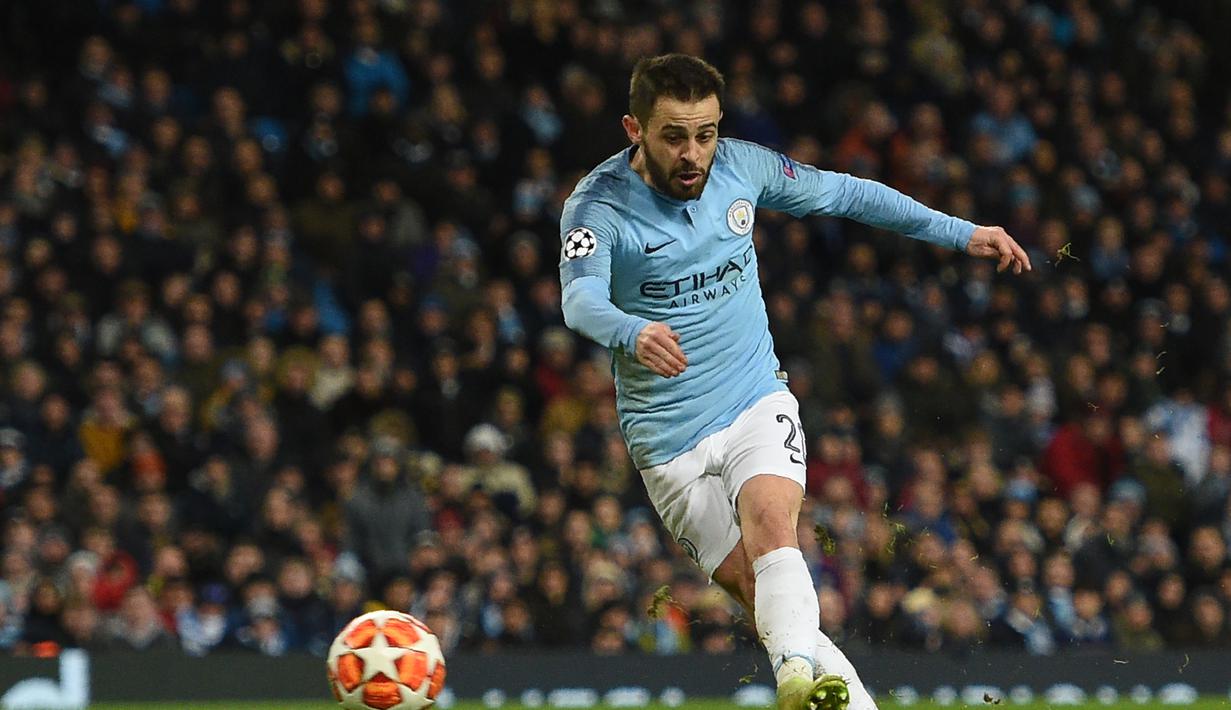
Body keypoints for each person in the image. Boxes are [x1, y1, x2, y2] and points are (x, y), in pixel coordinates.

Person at [558, 54, 1031, 710]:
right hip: (665, 440)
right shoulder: (598, 205)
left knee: (772, 526)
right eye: (673, 137)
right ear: (633, 129)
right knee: (765, 602)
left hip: (752, 397)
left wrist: (961, 233)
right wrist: (630, 331)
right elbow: (579, 300)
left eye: (705, 134)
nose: (693, 154)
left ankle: (791, 685)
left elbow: (847, 194)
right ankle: (822, 690)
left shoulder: (742, 169)